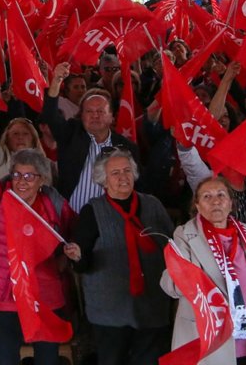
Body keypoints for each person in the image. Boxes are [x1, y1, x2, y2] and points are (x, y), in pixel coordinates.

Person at [162, 176, 246, 365]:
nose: (215, 201)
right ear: (197, 206)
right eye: (207, 196)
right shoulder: (184, 236)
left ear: (231, 203)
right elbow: (170, 286)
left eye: (221, 195)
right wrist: (179, 274)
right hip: (209, 345)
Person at [66, 149, 174, 365]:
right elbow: (82, 263)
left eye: (127, 170)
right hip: (110, 311)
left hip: (152, 305)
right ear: (103, 180)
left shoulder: (152, 205)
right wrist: (77, 257)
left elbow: (173, 246)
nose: (123, 177)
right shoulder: (92, 211)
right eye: (115, 173)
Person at [0, 147, 74, 365]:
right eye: (17, 174)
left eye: (29, 176)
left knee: (48, 360)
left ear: (42, 180)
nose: (21, 181)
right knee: (6, 359)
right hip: (5, 297)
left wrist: (70, 252)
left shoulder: (54, 204)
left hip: (44, 298)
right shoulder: (1, 198)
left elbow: (75, 231)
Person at [43, 63, 138, 213]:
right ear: (81, 116)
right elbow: (50, 115)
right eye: (89, 111)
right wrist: (56, 81)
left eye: (101, 111)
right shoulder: (71, 133)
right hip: (70, 220)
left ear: (112, 117)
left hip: (108, 224)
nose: (95, 115)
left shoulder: (126, 148)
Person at [0, 111, 44, 181]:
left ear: (33, 139)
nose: (20, 137)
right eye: (15, 133)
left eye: (25, 134)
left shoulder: (43, 164)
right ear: (7, 139)